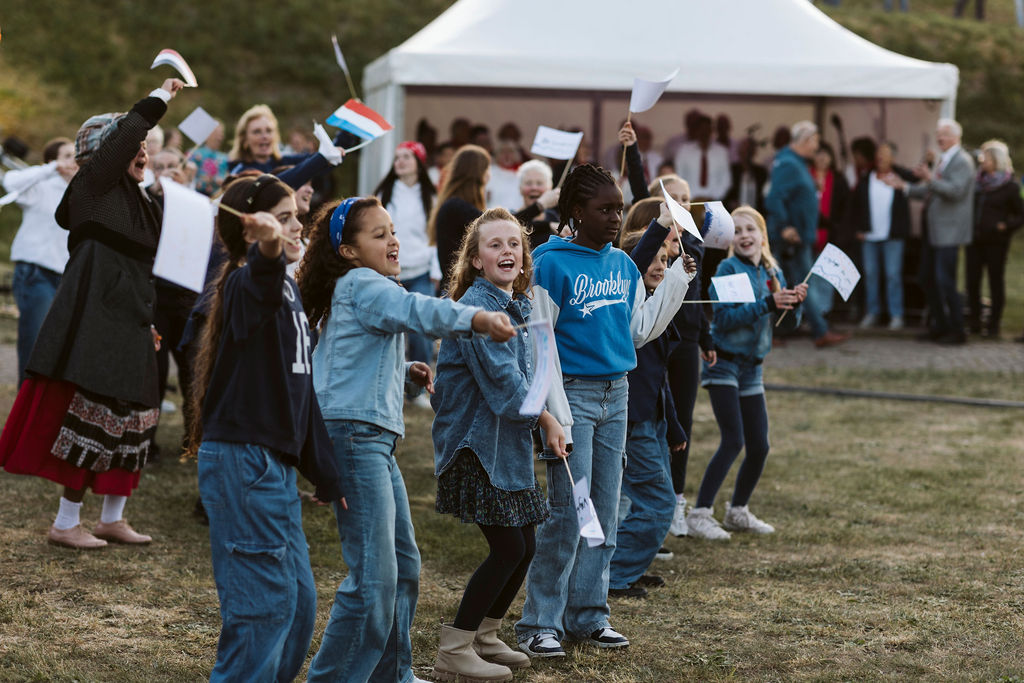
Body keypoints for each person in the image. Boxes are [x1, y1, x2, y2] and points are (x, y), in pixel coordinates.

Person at [297, 196, 514, 682]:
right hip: (354, 439)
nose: (393, 240)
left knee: (403, 566)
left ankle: (391, 673)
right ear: (348, 251)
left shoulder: (359, 290)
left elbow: (348, 363)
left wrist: (403, 371)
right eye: (379, 234)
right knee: (373, 579)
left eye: (392, 230)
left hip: (370, 438)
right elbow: (416, 309)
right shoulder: (363, 284)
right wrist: (476, 319)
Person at [515, 164, 697, 658]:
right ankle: (539, 623)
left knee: (604, 515)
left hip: (617, 393)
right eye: (605, 209)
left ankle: (590, 617)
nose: (615, 217)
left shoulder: (620, 264)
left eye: (619, 208)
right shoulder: (550, 263)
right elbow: (540, 344)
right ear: (576, 212)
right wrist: (551, 414)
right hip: (570, 395)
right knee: (568, 514)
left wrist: (678, 279)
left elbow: (637, 330)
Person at [0, 78, 187, 549]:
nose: (142, 151)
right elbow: (119, 142)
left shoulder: (141, 200)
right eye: (135, 145)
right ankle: (66, 523)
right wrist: (158, 99)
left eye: (145, 145)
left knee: (136, 415)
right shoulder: (93, 185)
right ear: (105, 152)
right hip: (97, 319)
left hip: (133, 317)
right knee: (92, 415)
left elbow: (155, 261)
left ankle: (113, 518)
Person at [185, 174, 342, 681]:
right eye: (284, 217)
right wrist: (270, 249)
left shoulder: (287, 293)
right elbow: (261, 278)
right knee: (262, 611)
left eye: (297, 217)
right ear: (252, 229)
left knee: (297, 605)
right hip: (245, 463)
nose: (298, 225)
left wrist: (326, 472)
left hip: (271, 467)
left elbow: (301, 393)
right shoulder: (243, 284)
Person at [430, 208, 569, 682]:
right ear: (474, 260)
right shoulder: (479, 311)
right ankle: (455, 647)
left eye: (514, 243)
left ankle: (486, 636)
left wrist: (544, 417)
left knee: (525, 545)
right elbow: (508, 391)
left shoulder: (521, 305)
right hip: (475, 447)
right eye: (495, 245)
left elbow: (526, 380)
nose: (507, 251)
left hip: (506, 445)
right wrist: (546, 417)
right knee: (509, 548)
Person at [686, 207, 807, 540]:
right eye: (737, 231)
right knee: (733, 440)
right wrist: (769, 302)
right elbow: (724, 319)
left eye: (750, 229)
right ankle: (700, 513)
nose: (744, 236)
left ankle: (738, 510)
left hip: (753, 369)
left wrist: (794, 305)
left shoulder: (772, 271)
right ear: (730, 239)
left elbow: (786, 323)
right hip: (723, 363)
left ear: (762, 235)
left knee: (759, 445)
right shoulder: (727, 269)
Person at [608, 222, 692, 597]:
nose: (659, 265)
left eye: (664, 258)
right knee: (658, 504)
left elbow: (659, 379)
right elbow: (634, 258)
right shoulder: (627, 311)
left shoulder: (657, 307)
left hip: (654, 420)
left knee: (642, 502)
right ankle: (615, 575)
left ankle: (626, 566)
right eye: (652, 259)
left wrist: (673, 427)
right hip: (633, 420)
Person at [885, 119, 975, 345]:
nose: (939, 138)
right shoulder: (944, 160)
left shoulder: (962, 161)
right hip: (934, 232)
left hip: (949, 233)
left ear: (956, 136)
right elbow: (931, 191)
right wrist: (904, 187)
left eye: (944, 134)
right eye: (938, 134)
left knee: (945, 281)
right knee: (926, 278)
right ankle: (940, 325)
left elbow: (955, 191)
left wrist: (929, 178)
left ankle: (957, 330)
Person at [765, 120, 849, 348]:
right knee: (793, 283)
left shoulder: (795, 162)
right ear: (805, 140)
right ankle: (818, 331)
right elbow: (774, 197)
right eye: (815, 142)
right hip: (790, 237)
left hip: (798, 236)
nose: (817, 147)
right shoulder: (789, 163)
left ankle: (778, 331)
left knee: (789, 284)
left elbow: (791, 193)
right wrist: (785, 226)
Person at [430, 145, 556, 290]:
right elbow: (500, 226)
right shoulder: (456, 206)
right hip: (458, 291)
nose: (489, 175)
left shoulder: (457, 205)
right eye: (487, 169)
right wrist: (540, 207)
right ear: (478, 173)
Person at [3, 137, 77, 385]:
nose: (72, 160)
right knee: (33, 343)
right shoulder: (41, 186)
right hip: (36, 274)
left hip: (66, 278)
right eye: (66, 155)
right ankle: (24, 408)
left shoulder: (79, 191)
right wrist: (51, 169)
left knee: (59, 347)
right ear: (53, 160)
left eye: (75, 155)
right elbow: (9, 180)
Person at [374, 141, 441, 402]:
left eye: (406, 157)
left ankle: (418, 389)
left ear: (418, 162)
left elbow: (433, 237)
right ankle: (389, 384)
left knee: (422, 331)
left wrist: (436, 270)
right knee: (389, 329)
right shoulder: (385, 194)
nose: (400, 161)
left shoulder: (430, 196)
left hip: (422, 271)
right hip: (390, 271)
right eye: (397, 157)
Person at [851, 142, 912, 330]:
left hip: (893, 236)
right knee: (871, 275)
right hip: (870, 236)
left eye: (885, 154)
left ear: (893, 158)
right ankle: (872, 312)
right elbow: (858, 205)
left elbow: (918, 181)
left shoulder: (900, 177)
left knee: (892, 275)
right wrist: (859, 228)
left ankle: (896, 315)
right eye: (879, 153)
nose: (881, 157)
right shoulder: (866, 178)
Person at [965, 140, 1022, 337]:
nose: (983, 161)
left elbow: (1021, 214)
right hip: (975, 239)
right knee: (972, 281)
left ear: (997, 160)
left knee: (995, 281)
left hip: (996, 242)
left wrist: (1005, 226)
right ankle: (974, 322)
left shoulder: (1010, 187)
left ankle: (993, 325)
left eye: (986, 158)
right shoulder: (977, 184)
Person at [674, 114, 731, 201]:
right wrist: (692, 198)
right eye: (701, 129)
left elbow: (726, 180)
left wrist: (713, 198)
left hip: (714, 201)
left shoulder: (721, 152)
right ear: (696, 130)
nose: (704, 132)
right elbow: (679, 176)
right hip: (690, 200)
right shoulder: (684, 151)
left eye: (707, 129)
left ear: (712, 131)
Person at [516, 159, 561, 248]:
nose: (534, 187)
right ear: (520, 188)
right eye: (528, 183)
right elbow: (516, 225)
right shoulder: (510, 218)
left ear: (549, 188)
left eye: (539, 183)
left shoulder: (553, 217)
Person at [186, 120, 229, 196]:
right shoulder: (194, 153)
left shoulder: (225, 158)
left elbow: (226, 180)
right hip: (194, 195)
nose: (219, 137)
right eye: (216, 133)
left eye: (221, 134)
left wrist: (216, 180)